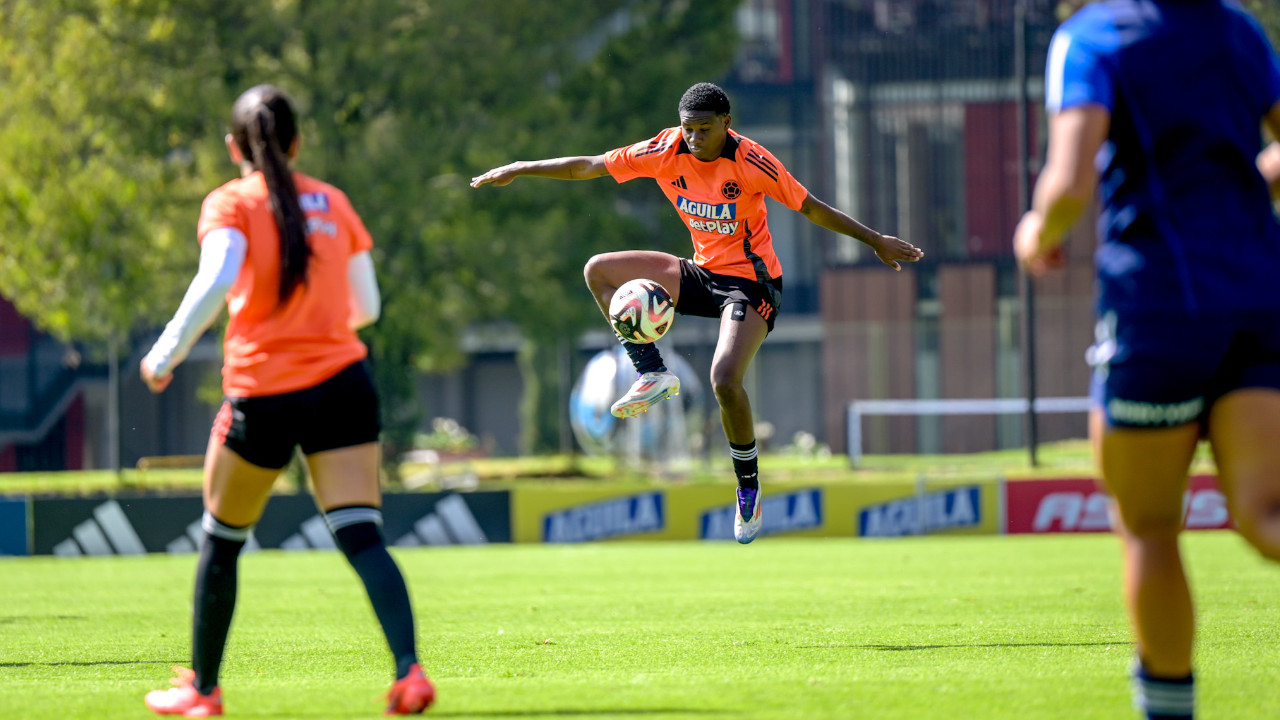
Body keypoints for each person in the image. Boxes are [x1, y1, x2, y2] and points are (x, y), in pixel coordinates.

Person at [471, 82, 923, 544]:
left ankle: (748, 487)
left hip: (752, 284)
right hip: (701, 274)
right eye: (688, 128)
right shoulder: (664, 150)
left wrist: (875, 240)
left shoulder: (753, 161)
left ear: (727, 123)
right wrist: (521, 168)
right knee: (598, 270)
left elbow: (810, 208)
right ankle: (652, 371)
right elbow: (589, 165)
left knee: (724, 379)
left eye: (704, 129)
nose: (694, 137)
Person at [1013, 3, 1280, 718]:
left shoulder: (1093, 38)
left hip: (1157, 307)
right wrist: (1246, 186)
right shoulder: (1237, 29)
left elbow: (1069, 185)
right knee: (1266, 516)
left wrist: (1038, 232)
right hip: (1258, 298)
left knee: (1150, 525)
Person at [139, 85, 435, 716]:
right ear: (297, 143)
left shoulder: (231, 202)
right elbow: (366, 307)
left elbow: (218, 277)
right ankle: (409, 672)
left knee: (222, 539)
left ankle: (204, 691)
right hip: (343, 385)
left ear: (233, 147)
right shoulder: (333, 201)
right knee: (362, 535)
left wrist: (164, 354)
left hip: (264, 391)